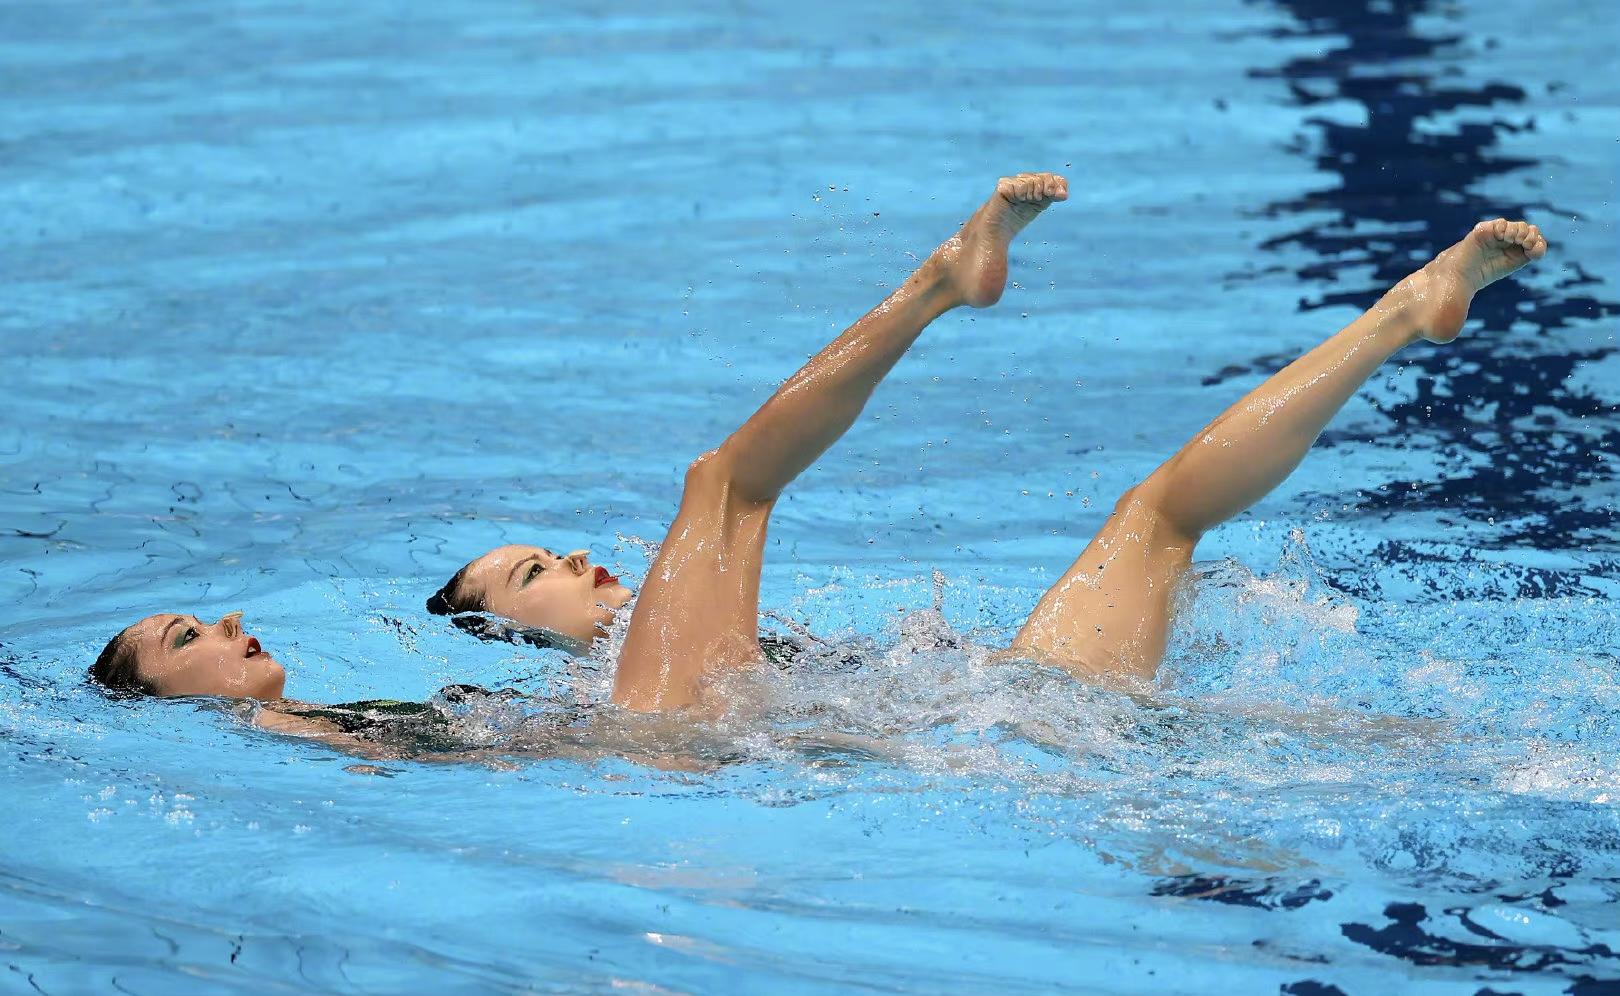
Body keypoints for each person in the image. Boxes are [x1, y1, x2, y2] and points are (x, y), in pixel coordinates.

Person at [92, 172, 1547, 738]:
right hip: (672, 754)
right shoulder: (437, 706)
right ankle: (937, 282)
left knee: (1157, 520)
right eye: (536, 574)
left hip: (997, 724)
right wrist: (229, 711)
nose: (587, 565)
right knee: (718, 485)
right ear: (500, 633)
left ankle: (1403, 315)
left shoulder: (738, 651)